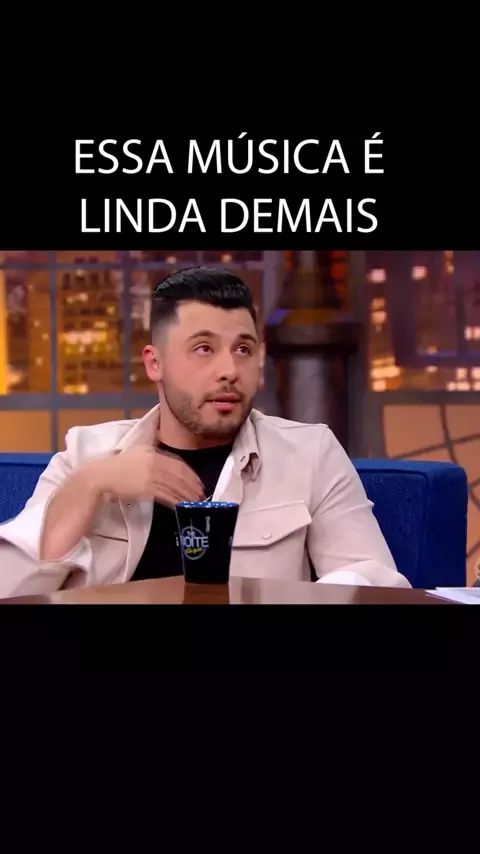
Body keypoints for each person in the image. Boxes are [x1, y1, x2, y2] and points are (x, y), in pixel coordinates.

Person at [0, 266, 410, 597]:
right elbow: (10, 588)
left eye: (243, 349)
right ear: (155, 364)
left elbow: (376, 582)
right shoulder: (86, 453)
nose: (229, 370)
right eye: (204, 349)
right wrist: (91, 483)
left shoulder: (310, 453)